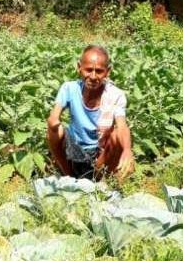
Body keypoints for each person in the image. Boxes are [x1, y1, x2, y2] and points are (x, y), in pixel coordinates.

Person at [47, 45, 135, 180]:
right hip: (74, 149)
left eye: (99, 71)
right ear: (79, 67)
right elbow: (54, 117)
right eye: (88, 70)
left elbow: (122, 126)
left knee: (117, 135)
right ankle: (68, 175)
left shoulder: (115, 95)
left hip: (99, 153)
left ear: (108, 71)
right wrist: (54, 121)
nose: (93, 76)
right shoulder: (69, 88)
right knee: (55, 129)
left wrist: (127, 150)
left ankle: (99, 179)